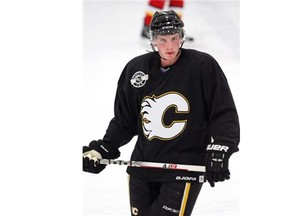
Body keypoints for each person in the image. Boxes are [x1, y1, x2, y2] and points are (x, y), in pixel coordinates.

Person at [83, 10, 240, 216]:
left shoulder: (202, 66)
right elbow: (126, 119)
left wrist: (221, 147)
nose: (170, 46)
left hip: (184, 168)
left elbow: (222, 112)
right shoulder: (136, 70)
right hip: (142, 167)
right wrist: (104, 148)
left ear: (182, 37)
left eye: (175, 38)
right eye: (163, 39)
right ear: (153, 40)